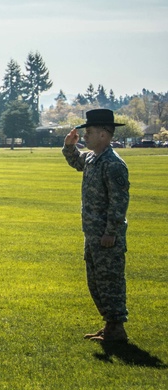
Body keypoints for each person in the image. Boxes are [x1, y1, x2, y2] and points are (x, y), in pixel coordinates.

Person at [62, 108, 130, 342]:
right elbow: (76, 162)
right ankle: (110, 325)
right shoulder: (92, 159)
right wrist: (69, 145)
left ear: (104, 134)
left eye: (89, 132)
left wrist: (111, 232)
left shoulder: (113, 164)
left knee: (110, 280)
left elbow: (119, 203)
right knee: (96, 280)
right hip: (92, 234)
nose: (86, 136)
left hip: (106, 235)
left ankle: (117, 328)